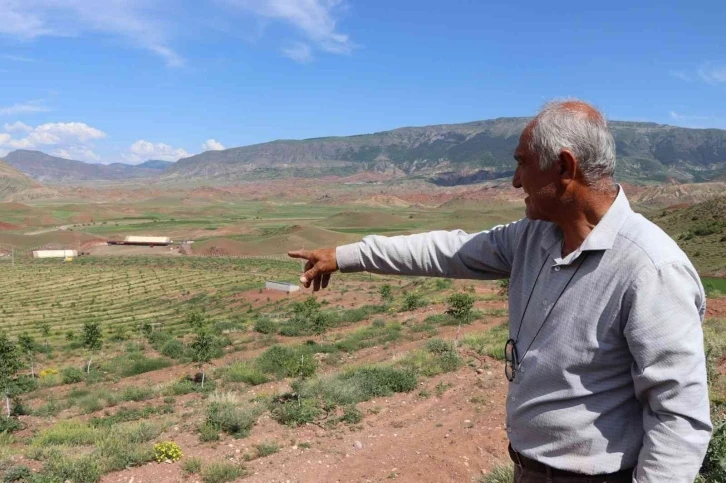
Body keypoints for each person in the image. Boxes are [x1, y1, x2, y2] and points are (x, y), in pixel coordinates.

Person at [288, 99, 711, 483]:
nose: (514, 181)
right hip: (529, 469)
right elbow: (447, 251)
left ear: (564, 168)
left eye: (522, 163)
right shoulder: (535, 236)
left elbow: (680, 419)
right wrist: (345, 255)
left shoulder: (652, 269)